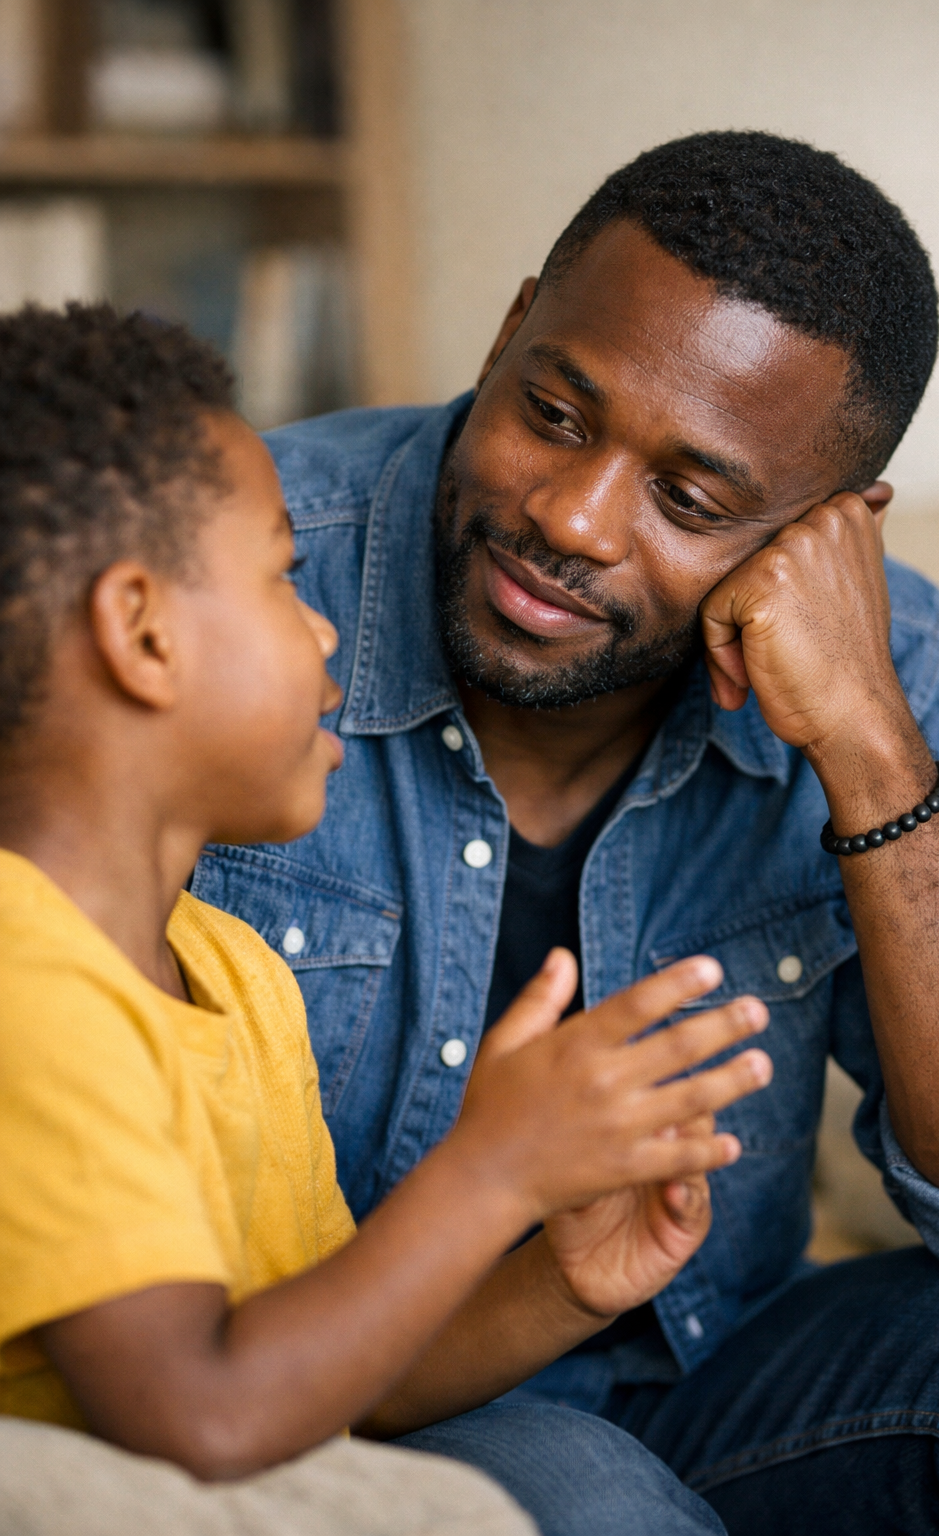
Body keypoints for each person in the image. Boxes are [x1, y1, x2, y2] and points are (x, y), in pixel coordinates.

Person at [195, 132, 939, 1535]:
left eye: (689, 502)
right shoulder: (240, 577)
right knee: (587, 1502)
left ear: (826, 532)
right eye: (556, 412)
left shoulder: (908, 676)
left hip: (710, 1377)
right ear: (515, 325)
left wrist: (871, 749)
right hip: (337, 1406)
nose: (569, 519)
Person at [0, 302, 777, 1536]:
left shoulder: (230, 969)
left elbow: (332, 1381)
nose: (321, 632)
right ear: (141, 631)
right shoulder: (25, 984)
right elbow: (200, 1421)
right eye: (276, 577)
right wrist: (491, 1166)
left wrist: (560, 1284)